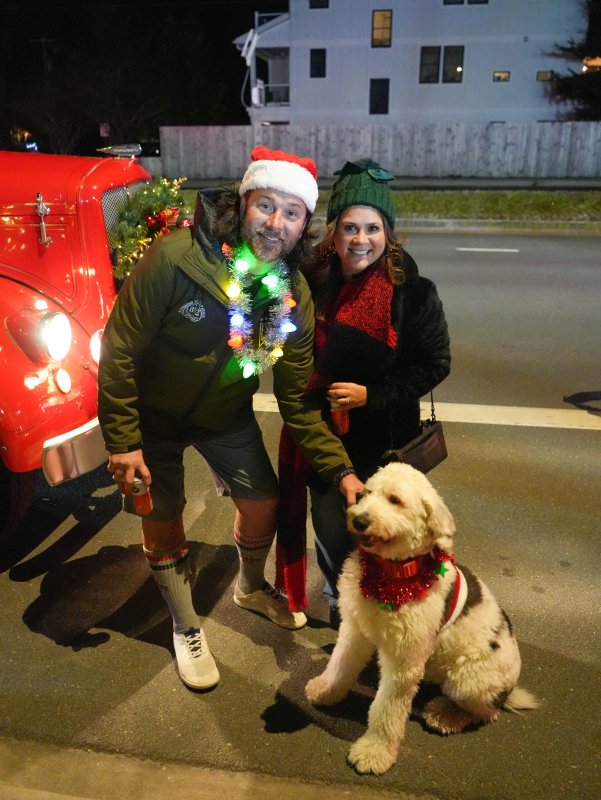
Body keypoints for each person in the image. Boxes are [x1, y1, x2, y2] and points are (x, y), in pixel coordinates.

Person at [97, 146, 362, 690]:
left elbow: (298, 400)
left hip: (224, 416)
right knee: (163, 515)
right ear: (243, 203)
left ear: (304, 225)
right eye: (266, 205)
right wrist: (124, 442)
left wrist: (341, 471)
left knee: (263, 501)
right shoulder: (177, 259)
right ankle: (185, 622)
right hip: (154, 418)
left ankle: (248, 586)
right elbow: (120, 348)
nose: (276, 223)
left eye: (292, 213)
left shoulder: (289, 296)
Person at [276, 158, 451, 626]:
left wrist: (370, 395)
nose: (360, 239)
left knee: (383, 535)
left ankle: (387, 610)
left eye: (372, 228)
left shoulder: (412, 293)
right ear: (332, 233)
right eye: (349, 226)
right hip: (326, 439)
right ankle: (343, 601)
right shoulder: (311, 282)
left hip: (386, 442)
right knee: (332, 528)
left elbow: (435, 363)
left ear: (388, 234)